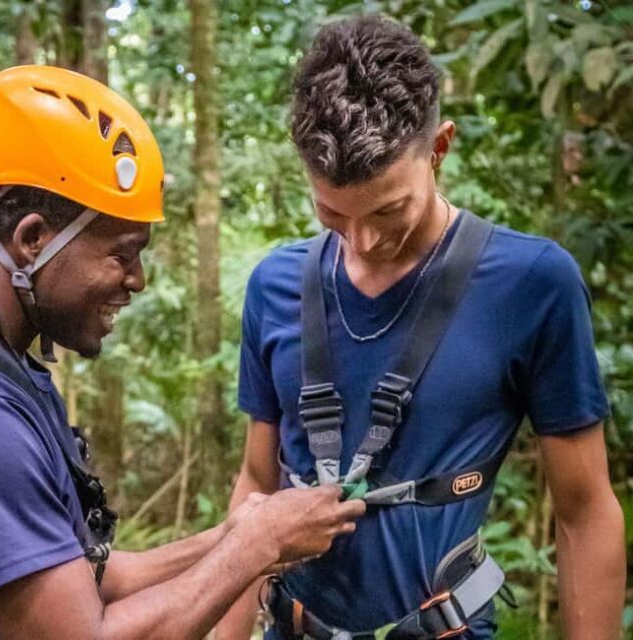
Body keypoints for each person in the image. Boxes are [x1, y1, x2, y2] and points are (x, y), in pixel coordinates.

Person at [0, 65, 366, 640]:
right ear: (32, 240)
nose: (138, 280)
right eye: (121, 254)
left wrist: (236, 535)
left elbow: (82, 578)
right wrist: (253, 548)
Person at [217, 16, 625, 640]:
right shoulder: (276, 285)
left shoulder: (531, 283)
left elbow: (585, 511)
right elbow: (257, 481)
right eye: (331, 212)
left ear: (440, 150)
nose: (362, 240)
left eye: (388, 209)